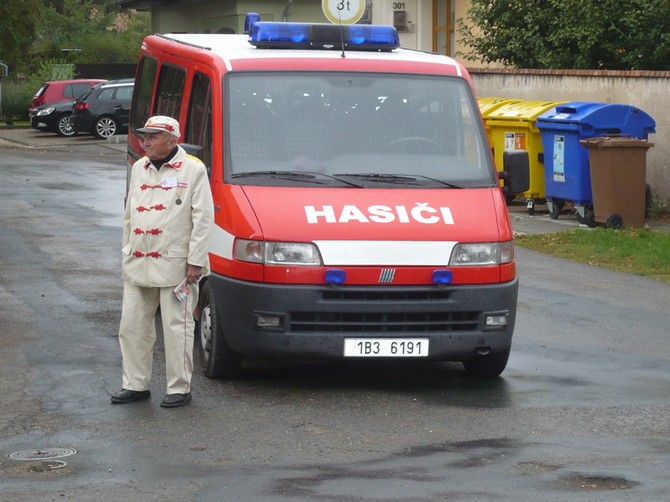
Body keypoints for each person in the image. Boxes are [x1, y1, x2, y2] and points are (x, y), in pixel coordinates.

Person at [111, 115, 214, 408]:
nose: (145, 142)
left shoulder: (193, 169)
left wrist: (196, 261)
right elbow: (130, 213)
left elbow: (203, 218)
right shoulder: (139, 167)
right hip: (137, 261)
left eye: (152, 137)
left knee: (177, 328)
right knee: (131, 327)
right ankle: (135, 384)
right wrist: (127, 248)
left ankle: (179, 388)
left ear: (172, 140)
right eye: (144, 136)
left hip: (176, 265)